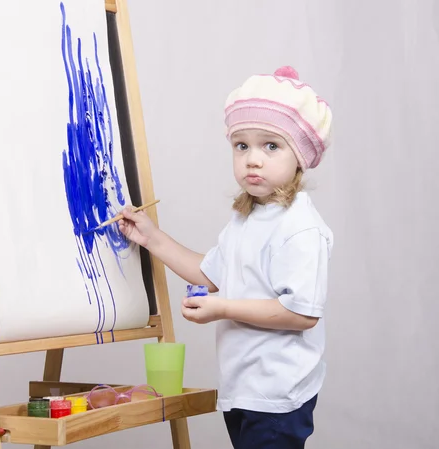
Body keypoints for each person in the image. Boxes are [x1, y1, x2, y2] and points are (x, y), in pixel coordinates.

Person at [118, 66, 334, 449]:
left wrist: (222, 308)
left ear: (299, 156)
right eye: (242, 145)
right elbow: (210, 273)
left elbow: (302, 312)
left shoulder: (300, 227)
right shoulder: (247, 218)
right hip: (244, 389)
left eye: (271, 146)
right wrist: (151, 238)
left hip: (276, 395)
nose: (253, 159)